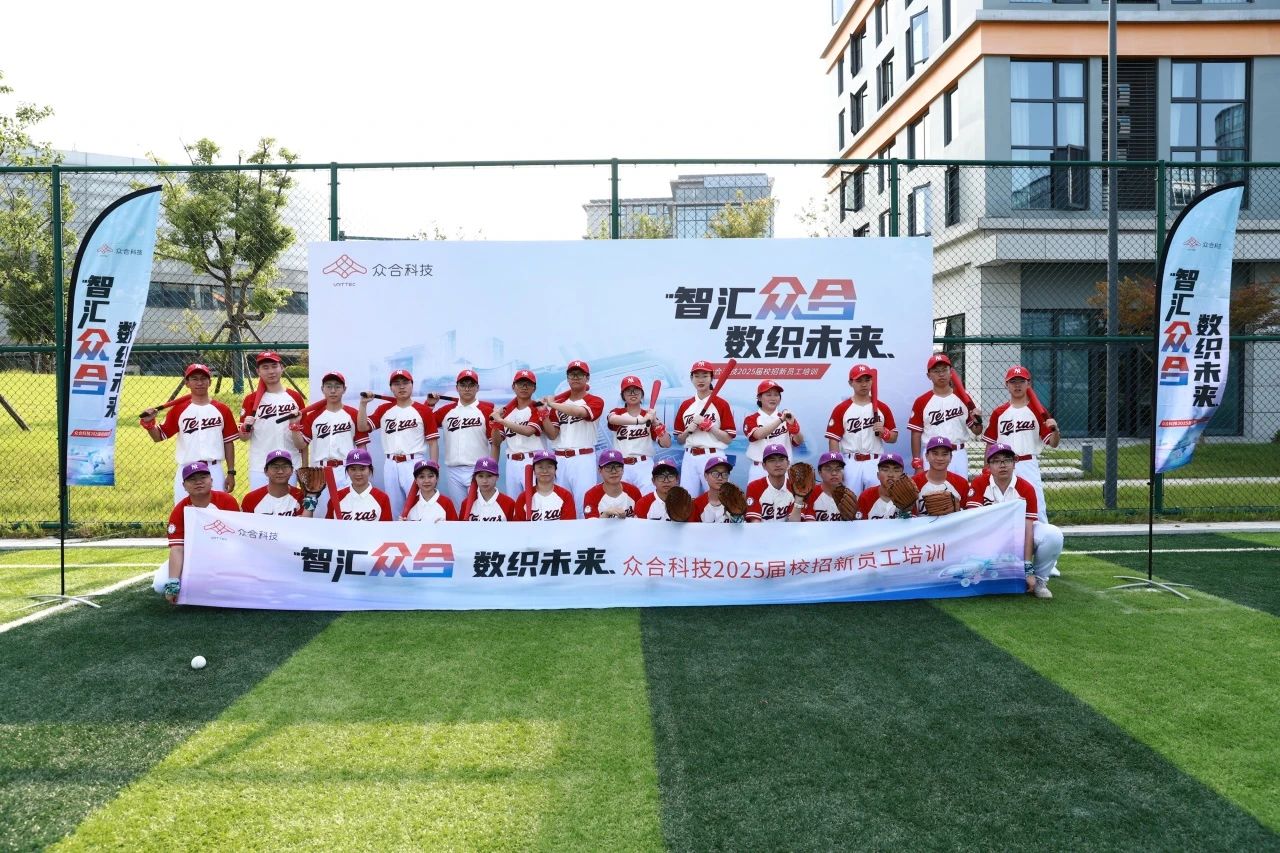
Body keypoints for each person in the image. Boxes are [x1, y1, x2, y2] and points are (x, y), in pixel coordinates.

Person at [965, 443, 1064, 599]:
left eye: (1007, 460)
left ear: (1014, 463)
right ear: (988, 465)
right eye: (996, 461)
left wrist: (1028, 568)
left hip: (1018, 536)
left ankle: (1039, 580)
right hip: (989, 538)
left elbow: (1028, 529)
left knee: (1053, 535)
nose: (1002, 465)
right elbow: (974, 523)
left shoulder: (1026, 488)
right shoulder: (979, 483)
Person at [140, 362, 239, 503]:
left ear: (210, 382)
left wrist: (231, 472)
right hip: (186, 470)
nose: (199, 382)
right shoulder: (178, 410)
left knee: (216, 510)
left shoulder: (222, 409)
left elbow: (228, 442)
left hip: (213, 469)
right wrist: (149, 424)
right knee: (185, 511)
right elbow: (159, 436)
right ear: (187, 383)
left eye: (203, 378)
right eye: (194, 379)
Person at [983, 365, 1060, 524]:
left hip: (1028, 463)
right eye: (1013, 381)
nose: (1017, 385)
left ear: (1028, 383)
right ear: (1006, 384)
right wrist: (986, 468)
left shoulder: (1038, 411)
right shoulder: (999, 412)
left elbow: (1053, 443)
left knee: (1037, 506)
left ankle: (1040, 535)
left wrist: (1056, 430)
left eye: (1021, 381)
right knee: (1002, 504)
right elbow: (990, 444)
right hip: (1004, 464)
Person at [358, 369, 439, 519]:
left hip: (414, 462)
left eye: (405, 383)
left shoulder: (423, 410)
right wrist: (363, 405)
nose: (401, 387)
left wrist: (434, 468)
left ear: (412, 385)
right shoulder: (384, 409)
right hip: (390, 463)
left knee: (418, 506)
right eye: (396, 384)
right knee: (394, 509)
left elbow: (433, 442)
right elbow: (362, 427)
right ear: (391, 388)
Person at [155, 461, 240, 603]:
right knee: (160, 584)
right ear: (184, 486)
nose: (198, 482)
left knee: (232, 586)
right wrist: (173, 582)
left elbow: (238, 540)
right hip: (192, 559)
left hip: (224, 558)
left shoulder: (227, 501)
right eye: (192, 479)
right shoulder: (180, 509)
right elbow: (177, 549)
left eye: (203, 477)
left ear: (211, 480)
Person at [289, 370, 368, 520]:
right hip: (320, 472)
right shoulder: (313, 416)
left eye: (337, 386)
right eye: (329, 386)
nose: (333, 390)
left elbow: (362, 447)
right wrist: (294, 426)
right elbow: (301, 444)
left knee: (347, 513)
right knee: (321, 514)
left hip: (346, 470)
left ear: (344, 389)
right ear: (322, 389)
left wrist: (363, 471)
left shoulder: (353, 414)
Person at [540, 360, 605, 506]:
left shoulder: (595, 400)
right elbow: (552, 434)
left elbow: (580, 412)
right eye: (572, 374)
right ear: (567, 378)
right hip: (559, 459)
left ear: (587, 378)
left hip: (583, 458)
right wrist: (543, 413)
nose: (575, 377)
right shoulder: (559, 404)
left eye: (579, 374)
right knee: (560, 505)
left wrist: (552, 404)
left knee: (584, 504)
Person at [238, 351, 306, 490]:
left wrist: (304, 466)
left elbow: (304, 438)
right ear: (258, 371)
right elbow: (244, 438)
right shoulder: (251, 400)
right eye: (265, 367)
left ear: (282, 368)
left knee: (288, 502)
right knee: (260, 502)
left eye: (274, 366)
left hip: (290, 463)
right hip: (260, 464)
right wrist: (245, 429)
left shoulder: (295, 397)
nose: (271, 371)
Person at [826, 363, 898, 494]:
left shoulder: (882, 407)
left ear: (872, 381)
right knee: (850, 501)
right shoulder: (841, 408)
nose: (864, 384)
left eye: (867, 380)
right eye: (859, 381)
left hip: (875, 461)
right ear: (851, 383)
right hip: (850, 462)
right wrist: (837, 466)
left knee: (877, 500)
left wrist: (885, 433)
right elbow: (833, 439)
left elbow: (894, 437)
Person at [429, 368, 496, 507]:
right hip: (453, 470)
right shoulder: (446, 411)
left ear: (477, 388)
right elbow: (426, 423)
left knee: (479, 510)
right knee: (460, 511)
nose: (467, 388)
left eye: (471, 385)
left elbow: (495, 443)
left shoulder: (486, 411)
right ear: (457, 388)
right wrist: (430, 405)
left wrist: (492, 469)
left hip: (478, 470)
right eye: (463, 385)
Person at [673, 361, 736, 498]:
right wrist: (687, 431)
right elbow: (679, 440)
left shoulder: (721, 404)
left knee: (719, 498)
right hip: (689, 457)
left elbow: (728, 439)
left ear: (711, 378)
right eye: (697, 376)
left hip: (713, 455)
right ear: (691, 379)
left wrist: (710, 427)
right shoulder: (686, 405)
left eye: (705, 376)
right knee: (687, 499)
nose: (700, 380)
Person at [606, 375, 670, 493]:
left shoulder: (649, 416)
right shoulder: (617, 412)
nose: (632, 393)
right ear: (623, 395)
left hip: (644, 465)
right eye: (628, 391)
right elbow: (612, 419)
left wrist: (656, 423)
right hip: (621, 466)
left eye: (636, 390)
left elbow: (666, 443)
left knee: (647, 499)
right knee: (623, 501)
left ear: (641, 394)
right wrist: (640, 421)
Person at [491, 369, 547, 497]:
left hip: (533, 461)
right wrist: (495, 425)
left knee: (535, 501)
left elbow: (528, 431)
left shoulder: (538, 407)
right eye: (521, 383)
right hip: (512, 463)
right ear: (513, 387)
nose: (524, 387)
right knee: (515, 503)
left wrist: (501, 420)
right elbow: (496, 442)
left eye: (528, 384)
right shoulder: (506, 412)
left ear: (534, 388)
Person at [743, 380, 805, 484]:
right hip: (760, 469)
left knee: (787, 495)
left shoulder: (787, 417)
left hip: (784, 468)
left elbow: (798, 441)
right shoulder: (752, 419)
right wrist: (780, 420)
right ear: (759, 398)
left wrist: (795, 428)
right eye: (768, 395)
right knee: (756, 494)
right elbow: (758, 435)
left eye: (776, 395)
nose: (773, 398)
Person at [326, 448, 394, 521]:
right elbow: (327, 526)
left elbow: (387, 527)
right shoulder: (336, 498)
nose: (358, 473)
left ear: (370, 470)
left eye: (362, 469)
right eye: (353, 469)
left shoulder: (382, 498)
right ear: (347, 471)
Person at [911, 436, 970, 515]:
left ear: (951, 458)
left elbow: (967, 516)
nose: (940, 458)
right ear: (926, 456)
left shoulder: (962, 483)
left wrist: (958, 509)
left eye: (944, 454)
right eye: (935, 453)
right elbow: (910, 517)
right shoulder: (914, 483)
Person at [513, 450, 576, 521]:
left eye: (549, 467)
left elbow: (569, 525)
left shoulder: (566, 496)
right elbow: (517, 525)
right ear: (534, 471)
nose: (545, 471)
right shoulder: (523, 498)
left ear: (555, 470)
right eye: (540, 467)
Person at [745, 444, 802, 521]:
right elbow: (755, 522)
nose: (778, 464)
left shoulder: (795, 488)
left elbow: (794, 524)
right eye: (772, 460)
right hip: (761, 529)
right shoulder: (754, 487)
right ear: (764, 466)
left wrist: (799, 499)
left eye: (781, 459)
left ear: (788, 463)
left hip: (788, 529)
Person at [582, 449, 643, 518]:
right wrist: (605, 515)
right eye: (608, 467)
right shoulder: (591, 495)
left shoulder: (633, 491)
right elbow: (591, 523)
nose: (613, 471)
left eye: (617, 467)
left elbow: (642, 520)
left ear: (623, 469)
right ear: (599, 471)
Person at [241, 450, 304, 516]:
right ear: (266, 471)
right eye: (275, 467)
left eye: (285, 467)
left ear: (292, 470)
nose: (280, 471)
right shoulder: (251, 499)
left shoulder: (301, 497)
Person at [460, 457, 518, 521]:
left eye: (489, 476)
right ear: (475, 477)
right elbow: (461, 526)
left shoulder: (509, 503)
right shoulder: (466, 504)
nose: (484, 481)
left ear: (497, 477)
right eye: (480, 476)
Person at [855, 453, 911, 520]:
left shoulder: (908, 496)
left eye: (896, 470)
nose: (890, 475)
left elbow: (914, 524)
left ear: (902, 476)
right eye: (885, 470)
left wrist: (906, 513)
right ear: (878, 475)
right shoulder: (866, 496)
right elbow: (859, 524)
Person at [801, 452, 854, 521]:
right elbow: (809, 524)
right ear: (820, 473)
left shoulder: (849, 495)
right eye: (828, 469)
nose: (834, 473)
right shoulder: (811, 494)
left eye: (838, 469)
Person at [689, 456, 736, 523]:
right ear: (706, 476)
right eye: (715, 474)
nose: (720, 478)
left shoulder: (735, 502)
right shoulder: (696, 504)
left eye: (725, 474)